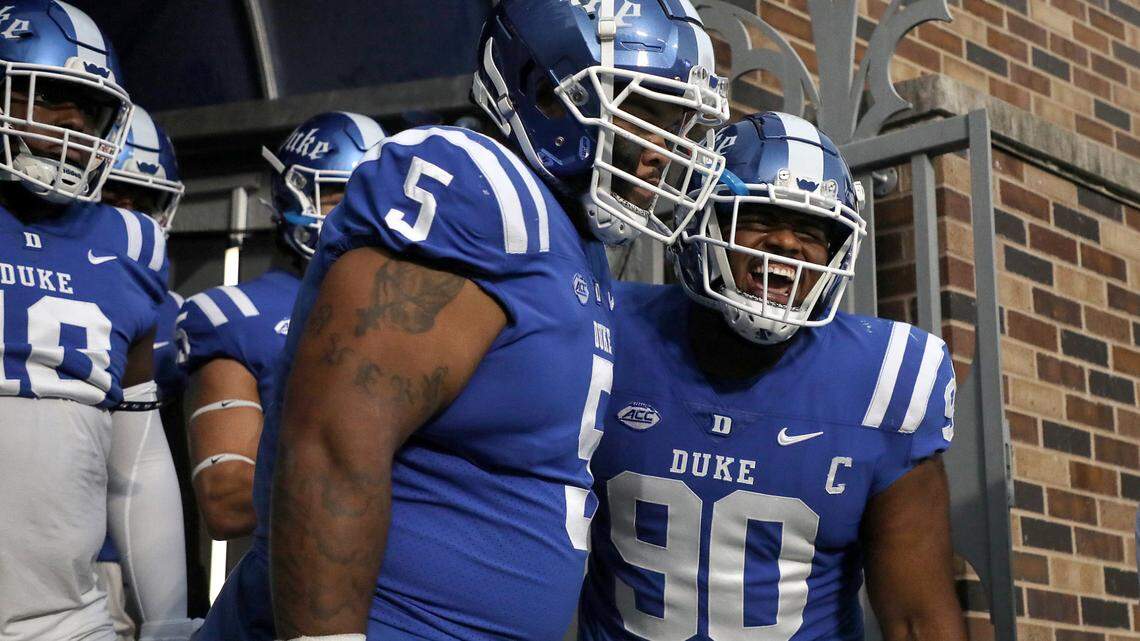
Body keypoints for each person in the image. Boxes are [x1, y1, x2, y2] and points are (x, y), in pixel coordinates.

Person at [195, 1, 728, 640]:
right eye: (647, 115)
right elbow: (335, 441)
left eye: (681, 125)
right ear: (542, 92)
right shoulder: (477, 188)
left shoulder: (568, 235)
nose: (662, 152)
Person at [578, 112, 967, 641]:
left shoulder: (887, 379)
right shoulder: (606, 329)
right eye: (759, 218)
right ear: (700, 222)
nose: (787, 244)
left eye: (811, 230)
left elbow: (918, 619)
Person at [0, 2, 193, 641]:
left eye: (88, 108)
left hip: (66, 620)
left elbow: (135, 463)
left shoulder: (132, 245)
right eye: (50, 95)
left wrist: (164, 622)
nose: (72, 122)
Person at [177, 111, 385, 541]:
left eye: (374, 197)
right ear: (294, 197)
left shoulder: (420, 306)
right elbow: (225, 498)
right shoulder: (238, 316)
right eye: (339, 195)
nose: (362, 213)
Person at [96, 104, 189, 641]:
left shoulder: (173, 316)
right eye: (113, 196)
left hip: (120, 558)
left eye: (143, 202)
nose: (128, 218)